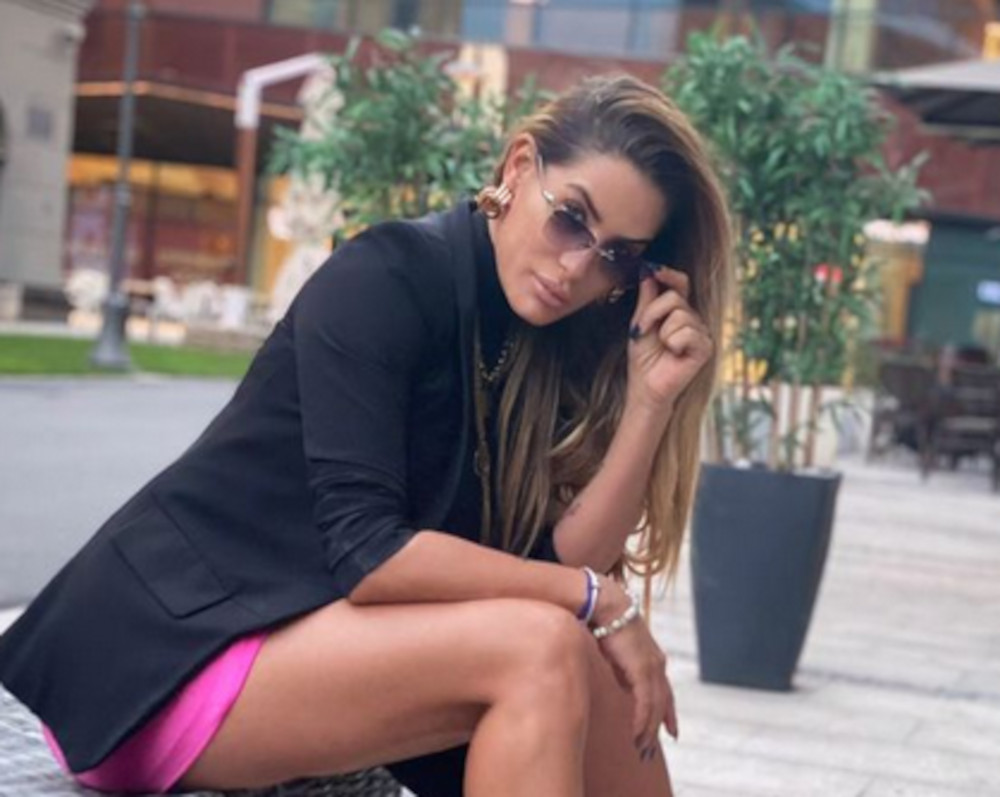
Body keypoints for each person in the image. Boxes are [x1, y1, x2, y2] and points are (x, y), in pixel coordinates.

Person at [0, 74, 732, 796]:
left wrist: (650, 403)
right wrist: (598, 599)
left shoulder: (539, 333)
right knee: (545, 644)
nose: (577, 267)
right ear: (518, 168)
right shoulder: (388, 274)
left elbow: (552, 562)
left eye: (617, 255)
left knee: (590, 657)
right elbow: (371, 554)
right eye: (571, 217)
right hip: (167, 658)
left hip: (305, 634)